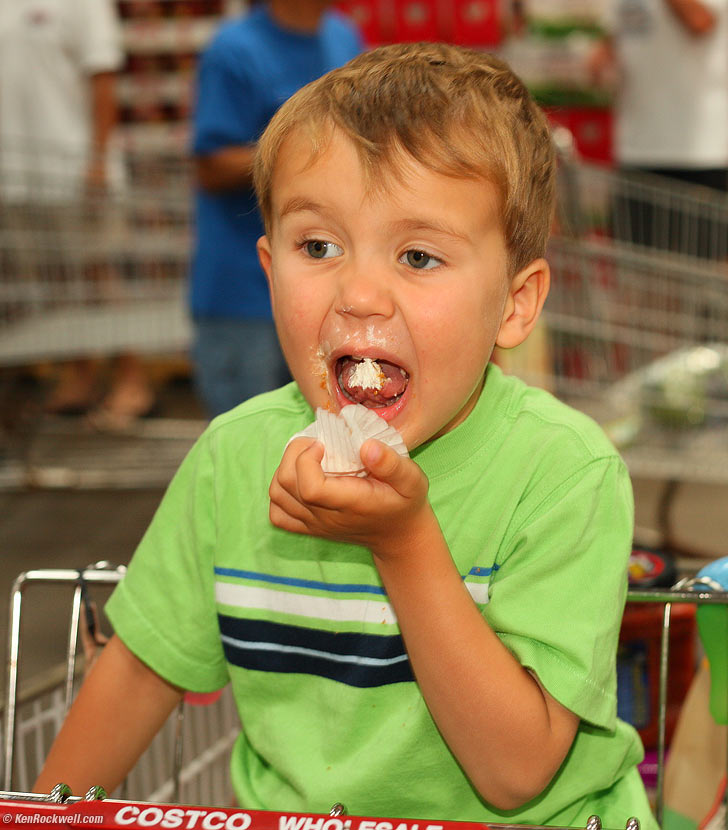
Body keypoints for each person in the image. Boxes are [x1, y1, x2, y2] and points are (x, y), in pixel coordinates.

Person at [34, 43, 656, 827]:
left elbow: (517, 772)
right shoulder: (235, 458)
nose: (359, 293)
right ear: (268, 269)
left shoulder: (565, 473)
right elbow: (140, 671)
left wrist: (404, 543)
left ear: (515, 303)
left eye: (419, 255)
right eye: (317, 247)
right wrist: (43, 813)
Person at [190, 0, 363, 417]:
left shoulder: (344, 37)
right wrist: (312, 156)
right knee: (248, 447)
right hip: (243, 293)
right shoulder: (233, 51)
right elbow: (211, 166)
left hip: (326, 288)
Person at [0, 0, 156, 425]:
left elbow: (102, 77)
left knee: (98, 275)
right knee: (54, 281)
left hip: (72, 167)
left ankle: (131, 379)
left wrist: (97, 161)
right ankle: (81, 374)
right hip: (17, 173)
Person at [590, 0, 728, 259]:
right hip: (637, 144)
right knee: (643, 267)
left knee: (718, 258)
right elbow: (611, 43)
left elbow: (699, 21)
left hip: (699, 147)